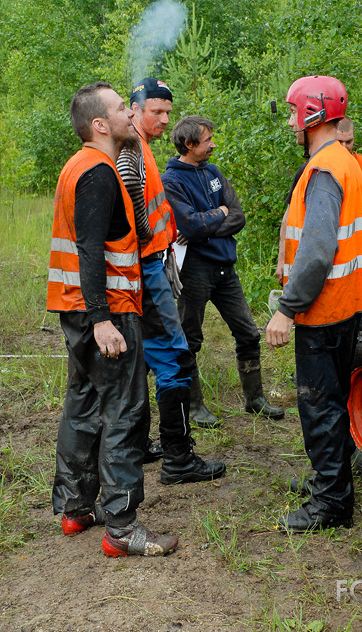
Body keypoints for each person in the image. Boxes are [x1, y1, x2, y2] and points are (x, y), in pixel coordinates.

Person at [47, 82, 178, 557]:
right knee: (124, 410)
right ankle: (122, 527)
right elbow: (89, 249)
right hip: (107, 314)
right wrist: (103, 319)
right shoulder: (99, 173)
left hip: (76, 310)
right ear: (100, 124)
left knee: (82, 404)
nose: (131, 112)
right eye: (122, 107)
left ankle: (76, 507)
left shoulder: (79, 166)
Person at [266, 75, 362, 533]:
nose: (291, 122)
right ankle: (330, 481)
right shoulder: (344, 161)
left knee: (320, 405)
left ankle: (332, 503)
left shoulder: (325, 170)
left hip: (324, 309)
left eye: (294, 112)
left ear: (312, 114)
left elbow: (315, 252)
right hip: (346, 304)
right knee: (331, 400)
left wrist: (287, 309)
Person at [117, 78, 225, 484]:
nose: (164, 119)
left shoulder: (139, 146)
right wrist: (148, 236)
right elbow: (130, 197)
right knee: (173, 357)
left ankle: (142, 445)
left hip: (151, 265)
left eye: (167, 111)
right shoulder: (131, 146)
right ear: (134, 108)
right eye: (156, 111)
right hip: (147, 268)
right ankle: (179, 461)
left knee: (144, 359)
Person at [162, 115, 284, 427]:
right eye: (207, 140)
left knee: (247, 332)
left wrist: (207, 224)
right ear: (189, 145)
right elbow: (187, 224)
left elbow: (239, 216)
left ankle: (254, 399)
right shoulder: (172, 180)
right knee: (190, 339)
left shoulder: (213, 172)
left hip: (224, 268)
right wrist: (218, 215)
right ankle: (193, 406)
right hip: (194, 270)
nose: (213, 144)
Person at [276, 115, 362, 286]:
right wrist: (282, 260)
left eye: (349, 142)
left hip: (357, 267)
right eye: (339, 142)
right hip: (318, 267)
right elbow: (289, 218)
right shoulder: (311, 169)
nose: (344, 147)